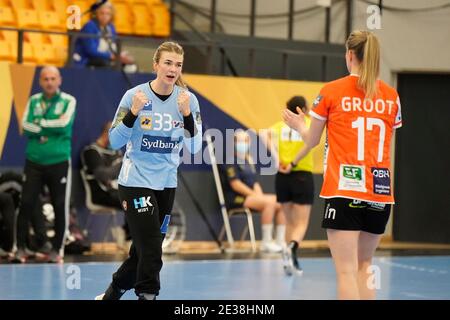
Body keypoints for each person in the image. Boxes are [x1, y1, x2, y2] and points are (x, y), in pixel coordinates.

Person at [283, 30, 402, 299]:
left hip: (344, 190)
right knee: (365, 266)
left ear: (350, 55)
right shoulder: (391, 96)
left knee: (346, 271)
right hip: (380, 191)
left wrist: (300, 125)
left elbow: (312, 140)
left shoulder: (331, 91)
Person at [95, 41, 202, 300]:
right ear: (156, 65)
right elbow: (115, 141)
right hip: (136, 181)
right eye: (167, 63)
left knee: (143, 249)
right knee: (153, 247)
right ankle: (148, 294)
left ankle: (113, 292)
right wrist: (132, 113)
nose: (173, 69)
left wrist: (187, 115)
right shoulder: (135, 96)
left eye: (178, 65)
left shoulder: (188, 100)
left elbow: (195, 147)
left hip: (166, 184)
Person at [15, 66, 76, 264]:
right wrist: (50, 125)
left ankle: (57, 249)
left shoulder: (68, 100)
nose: (49, 82)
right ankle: (20, 248)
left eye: (52, 78)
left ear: (59, 80)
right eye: (45, 79)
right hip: (34, 161)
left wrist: (40, 126)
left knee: (59, 205)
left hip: (58, 161)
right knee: (26, 204)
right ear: (40, 81)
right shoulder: (33, 101)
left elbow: (64, 124)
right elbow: (25, 126)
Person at [267, 96, 315, 275]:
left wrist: (278, 159)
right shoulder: (308, 123)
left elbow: (264, 135)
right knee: (301, 223)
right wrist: (293, 163)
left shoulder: (280, 126)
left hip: (282, 176)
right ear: (303, 109)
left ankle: (289, 260)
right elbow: (310, 144)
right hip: (301, 174)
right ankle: (292, 248)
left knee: (289, 221)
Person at [222, 130, 286, 253]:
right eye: (239, 141)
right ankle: (266, 242)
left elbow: (254, 183)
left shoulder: (248, 161)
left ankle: (280, 241)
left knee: (280, 202)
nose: (243, 143)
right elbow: (236, 184)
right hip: (236, 198)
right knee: (269, 203)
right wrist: (257, 197)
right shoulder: (230, 161)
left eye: (245, 141)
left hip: (252, 198)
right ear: (234, 143)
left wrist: (260, 196)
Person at [73, 1, 135, 71]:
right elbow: (91, 51)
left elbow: (114, 45)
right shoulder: (89, 26)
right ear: (95, 14)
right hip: (86, 60)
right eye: (102, 13)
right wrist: (111, 56)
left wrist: (121, 55)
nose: (105, 16)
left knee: (131, 66)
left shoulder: (111, 27)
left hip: (106, 58)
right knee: (105, 64)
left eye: (108, 14)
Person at [81, 121, 123, 210]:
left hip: (118, 191)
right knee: (133, 202)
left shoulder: (115, 152)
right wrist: (123, 164)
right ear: (108, 134)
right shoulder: (91, 152)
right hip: (102, 194)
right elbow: (102, 175)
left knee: (142, 197)